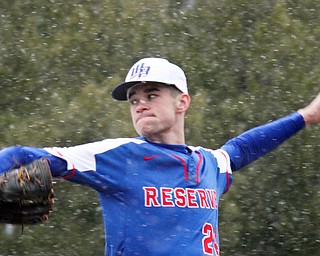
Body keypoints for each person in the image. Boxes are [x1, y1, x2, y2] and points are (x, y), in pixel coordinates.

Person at [0, 57, 320, 255]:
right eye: (133, 99)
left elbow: (244, 148)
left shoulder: (210, 164)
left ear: (182, 103)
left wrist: (306, 116)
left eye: (152, 95)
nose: (140, 104)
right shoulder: (118, 156)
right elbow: (23, 155)